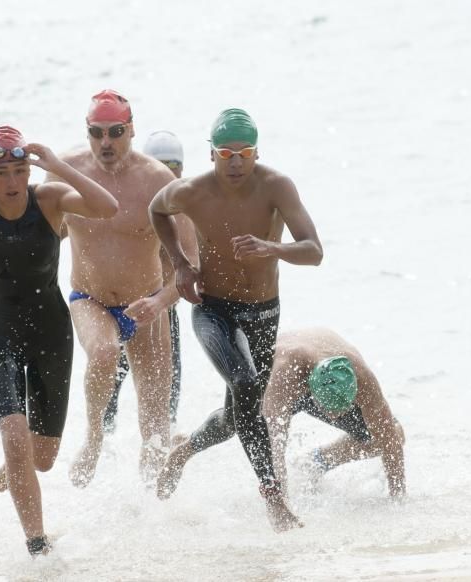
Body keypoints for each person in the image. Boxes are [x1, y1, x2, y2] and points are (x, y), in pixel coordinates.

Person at [0, 126, 117, 555]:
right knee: (15, 434)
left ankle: (15, 463)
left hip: (51, 335)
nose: (12, 182)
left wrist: (56, 167)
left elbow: (108, 207)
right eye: (2, 174)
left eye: (20, 171)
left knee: (43, 458)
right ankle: (37, 543)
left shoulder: (50, 200)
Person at [149, 107, 323, 532]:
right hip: (213, 308)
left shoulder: (277, 186)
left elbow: (314, 251)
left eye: (244, 153)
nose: (235, 162)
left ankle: (184, 451)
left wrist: (272, 248)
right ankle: (273, 499)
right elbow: (157, 211)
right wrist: (180, 265)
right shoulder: (191, 191)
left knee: (238, 413)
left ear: (256, 152)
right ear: (211, 154)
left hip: (263, 310)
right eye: (226, 154)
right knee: (244, 385)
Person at [47, 90, 195, 487]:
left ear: (131, 130)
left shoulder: (157, 181)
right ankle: (94, 438)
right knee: (104, 351)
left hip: (145, 306)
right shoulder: (65, 170)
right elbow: (41, 238)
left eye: (115, 132)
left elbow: (191, 265)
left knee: (156, 430)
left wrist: (160, 301)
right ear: (88, 131)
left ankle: (153, 518)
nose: (106, 142)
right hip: (89, 298)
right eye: (97, 133)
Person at [102, 130, 194, 434]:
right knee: (108, 395)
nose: (166, 174)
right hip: (123, 309)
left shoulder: (186, 210)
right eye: (159, 165)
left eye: (173, 166)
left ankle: (160, 453)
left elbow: (196, 267)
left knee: (166, 400)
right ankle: (104, 446)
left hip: (162, 312)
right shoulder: (131, 207)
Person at [260, 328, 405, 498]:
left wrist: (398, 498)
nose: (333, 418)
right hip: (278, 379)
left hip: (320, 372)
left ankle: (315, 461)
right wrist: (280, 506)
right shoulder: (282, 378)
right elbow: (273, 451)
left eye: (340, 410)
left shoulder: (362, 377)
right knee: (241, 427)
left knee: (394, 432)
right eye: (329, 411)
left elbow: (389, 440)